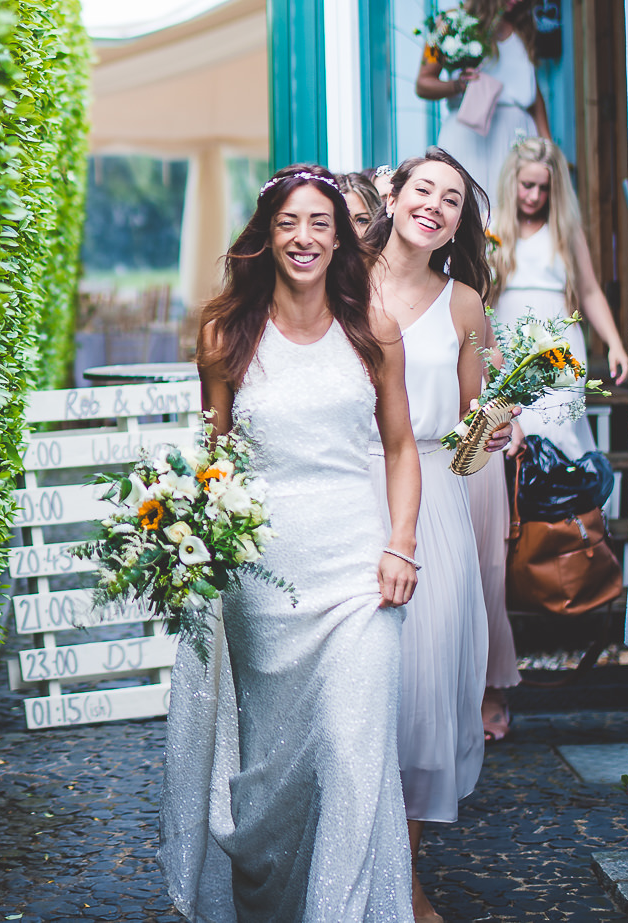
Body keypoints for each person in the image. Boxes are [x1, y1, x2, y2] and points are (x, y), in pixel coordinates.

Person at [164, 164, 424, 923]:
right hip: (261, 583)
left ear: (341, 235)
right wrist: (183, 531)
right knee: (275, 779)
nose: (304, 236)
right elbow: (214, 459)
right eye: (288, 223)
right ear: (266, 236)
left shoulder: (372, 330)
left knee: (351, 750)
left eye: (320, 222)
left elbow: (402, 447)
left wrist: (401, 543)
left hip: (359, 575)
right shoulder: (225, 335)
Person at [367, 148, 516, 921]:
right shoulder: (334, 284)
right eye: (423, 188)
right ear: (392, 194)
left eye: (452, 199)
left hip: (435, 516)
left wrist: (496, 427)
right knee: (357, 699)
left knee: (422, 711)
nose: (434, 205)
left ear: (461, 221)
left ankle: (403, 879)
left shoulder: (466, 307)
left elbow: (467, 438)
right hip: (347, 499)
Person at [476, 136, 628, 741]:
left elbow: (589, 290)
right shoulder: (495, 233)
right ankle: (513, 572)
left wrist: (615, 343)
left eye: (544, 186)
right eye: (527, 185)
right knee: (508, 472)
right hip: (508, 356)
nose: (535, 195)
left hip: (558, 361)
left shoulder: (566, 234)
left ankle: (560, 562)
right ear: (513, 182)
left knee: (555, 477)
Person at [419, 0, 553, 199]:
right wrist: (458, 85)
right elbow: (423, 83)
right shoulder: (449, 23)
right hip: (469, 137)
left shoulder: (525, 28)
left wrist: (548, 150)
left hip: (517, 139)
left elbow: (534, 96)